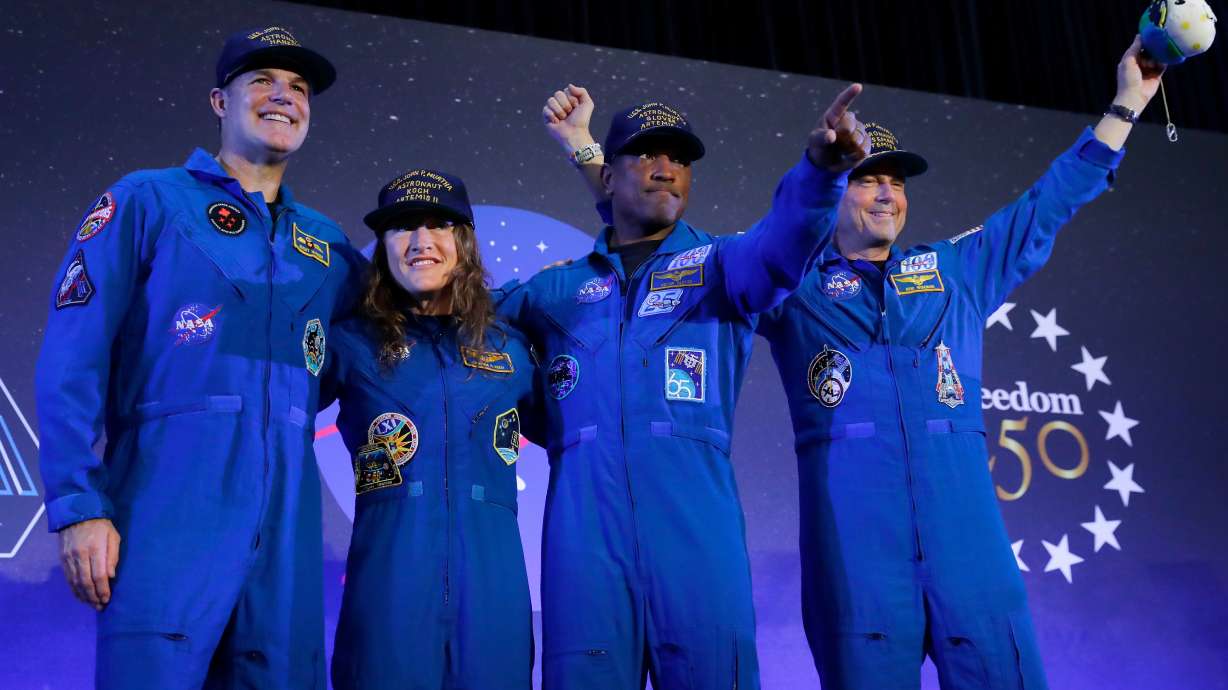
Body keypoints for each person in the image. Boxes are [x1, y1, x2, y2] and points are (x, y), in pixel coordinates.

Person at [752, 36, 1164, 689]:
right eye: (867, 179)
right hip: (855, 559)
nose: (887, 194)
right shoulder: (787, 287)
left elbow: (1045, 206)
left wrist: (1126, 103)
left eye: (895, 181)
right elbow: (764, 241)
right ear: (835, 193)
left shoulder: (952, 271)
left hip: (969, 552)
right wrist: (813, 173)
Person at [497, 85, 867, 689]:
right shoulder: (554, 291)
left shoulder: (724, 268)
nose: (666, 168)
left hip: (697, 546)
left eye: (679, 158)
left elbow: (785, 246)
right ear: (607, 176)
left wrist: (821, 174)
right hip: (583, 549)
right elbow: (461, 321)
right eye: (645, 156)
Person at [35, 26, 364, 688]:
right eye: (262, 82)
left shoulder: (326, 246)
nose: (284, 97)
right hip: (167, 506)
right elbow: (73, 358)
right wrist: (79, 504)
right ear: (220, 101)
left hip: (286, 520)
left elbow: (385, 346)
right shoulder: (146, 200)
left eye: (298, 88)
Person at [325, 169, 539, 690]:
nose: (422, 241)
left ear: (463, 241)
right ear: (382, 246)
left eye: (439, 225)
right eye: (402, 227)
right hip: (388, 594)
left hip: (495, 599)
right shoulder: (350, 343)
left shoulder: (511, 348)